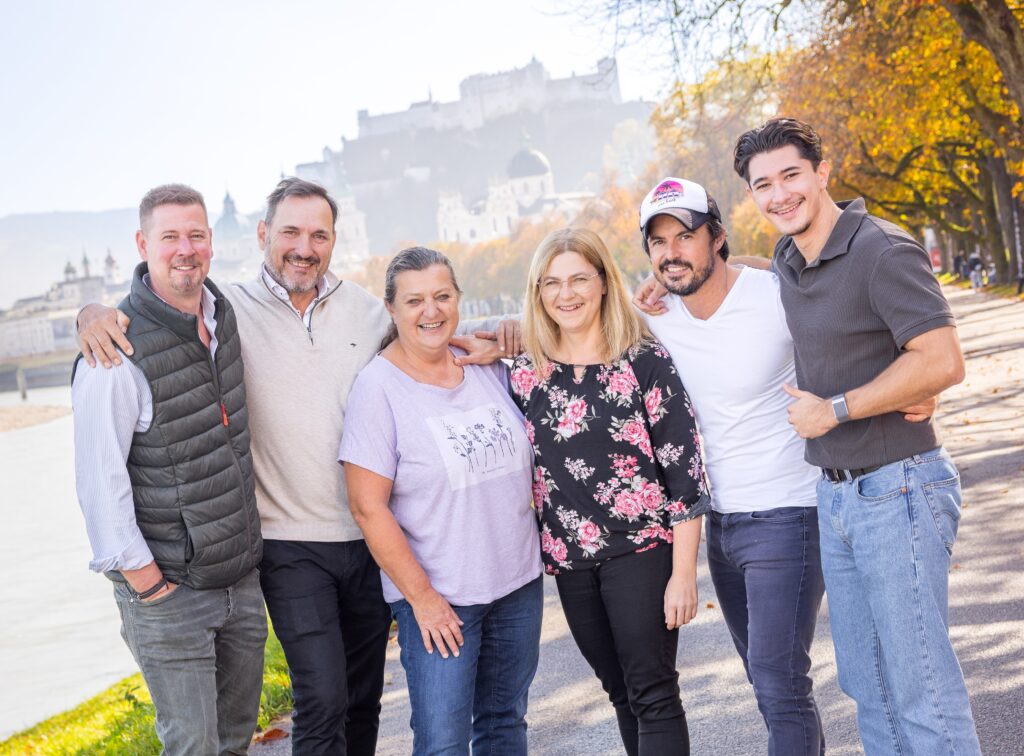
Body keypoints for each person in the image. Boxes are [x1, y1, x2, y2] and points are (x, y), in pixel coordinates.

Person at [76, 178, 518, 756]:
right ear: (263, 235)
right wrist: (93, 313)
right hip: (287, 545)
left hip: (367, 536)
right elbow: (167, 303)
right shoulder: (229, 310)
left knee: (363, 698)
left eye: (318, 235)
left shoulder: (366, 310)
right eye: (289, 232)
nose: (303, 247)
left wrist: (514, 333)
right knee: (323, 697)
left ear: (334, 241)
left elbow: (430, 338)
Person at [733, 117, 980, 754]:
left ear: (822, 172)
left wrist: (836, 409)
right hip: (838, 498)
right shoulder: (792, 258)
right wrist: (670, 279)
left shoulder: (881, 249)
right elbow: (757, 266)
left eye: (791, 175)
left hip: (899, 488)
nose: (779, 194)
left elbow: (943, 360)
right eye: (764, 185)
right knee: (867, 687)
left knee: (920, 688)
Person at [635, 177, 826, 755]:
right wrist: (504, 338)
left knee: (777, 678)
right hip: (721, 524)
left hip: (788, 513)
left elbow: (846, 318)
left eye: (686, 235)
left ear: (717, 237)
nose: (672, 252)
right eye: (659, 241)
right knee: (770, 682)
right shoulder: (655, 316)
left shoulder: (774, 294)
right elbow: (567, 320)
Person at [72, 184, 266, 754]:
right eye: (170, 236)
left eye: (197, 235)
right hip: (169, 590)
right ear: (143, 244)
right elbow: (98, 483)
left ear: (211, 243)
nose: (187, 249)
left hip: (239, 579)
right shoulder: (112, 354)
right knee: (191, 745)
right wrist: (147, 584)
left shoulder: (224, 313)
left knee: (234, 739)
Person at [510, 228, 709, 755]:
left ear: (603, 282)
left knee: (653, 692)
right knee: (620, 692)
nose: (565, 293)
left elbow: (686, 477)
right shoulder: (525, 373)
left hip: (642, 552)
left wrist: (683, 575)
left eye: (578, 278)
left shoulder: (644, 361)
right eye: (551, 282)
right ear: (537, 293)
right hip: (571, 562)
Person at [339, 246, 543, 755]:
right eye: (414, 301)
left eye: (441, 296)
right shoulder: (377, 387)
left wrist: (515, 331)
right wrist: (424, 601)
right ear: (391, 308)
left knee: (504, 722)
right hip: (440, 598)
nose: (431, 311)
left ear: (457, 299)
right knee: (442, 743)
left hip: (517, 584)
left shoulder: (483, 364)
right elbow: (368, 506)